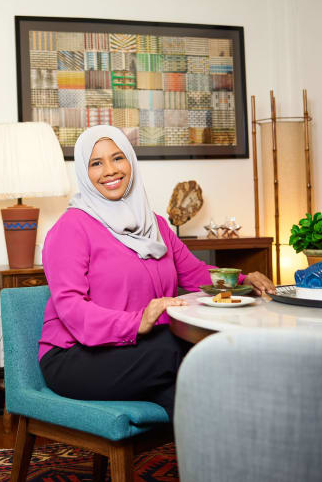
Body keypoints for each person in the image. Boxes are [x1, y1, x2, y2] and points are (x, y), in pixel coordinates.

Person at [38, 125, 275, 420]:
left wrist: (242, 280)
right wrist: (137, 321)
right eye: (96, 163)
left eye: (118, 158)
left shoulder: (156, 225)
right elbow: (71, 308)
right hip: (75, 356)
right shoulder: (70, 228)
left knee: (190, 395)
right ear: (84, 173)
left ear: (131, 161)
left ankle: (239, 443)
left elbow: (195, 273)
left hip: (139, 350)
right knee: (183, 346)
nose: (110, 170)